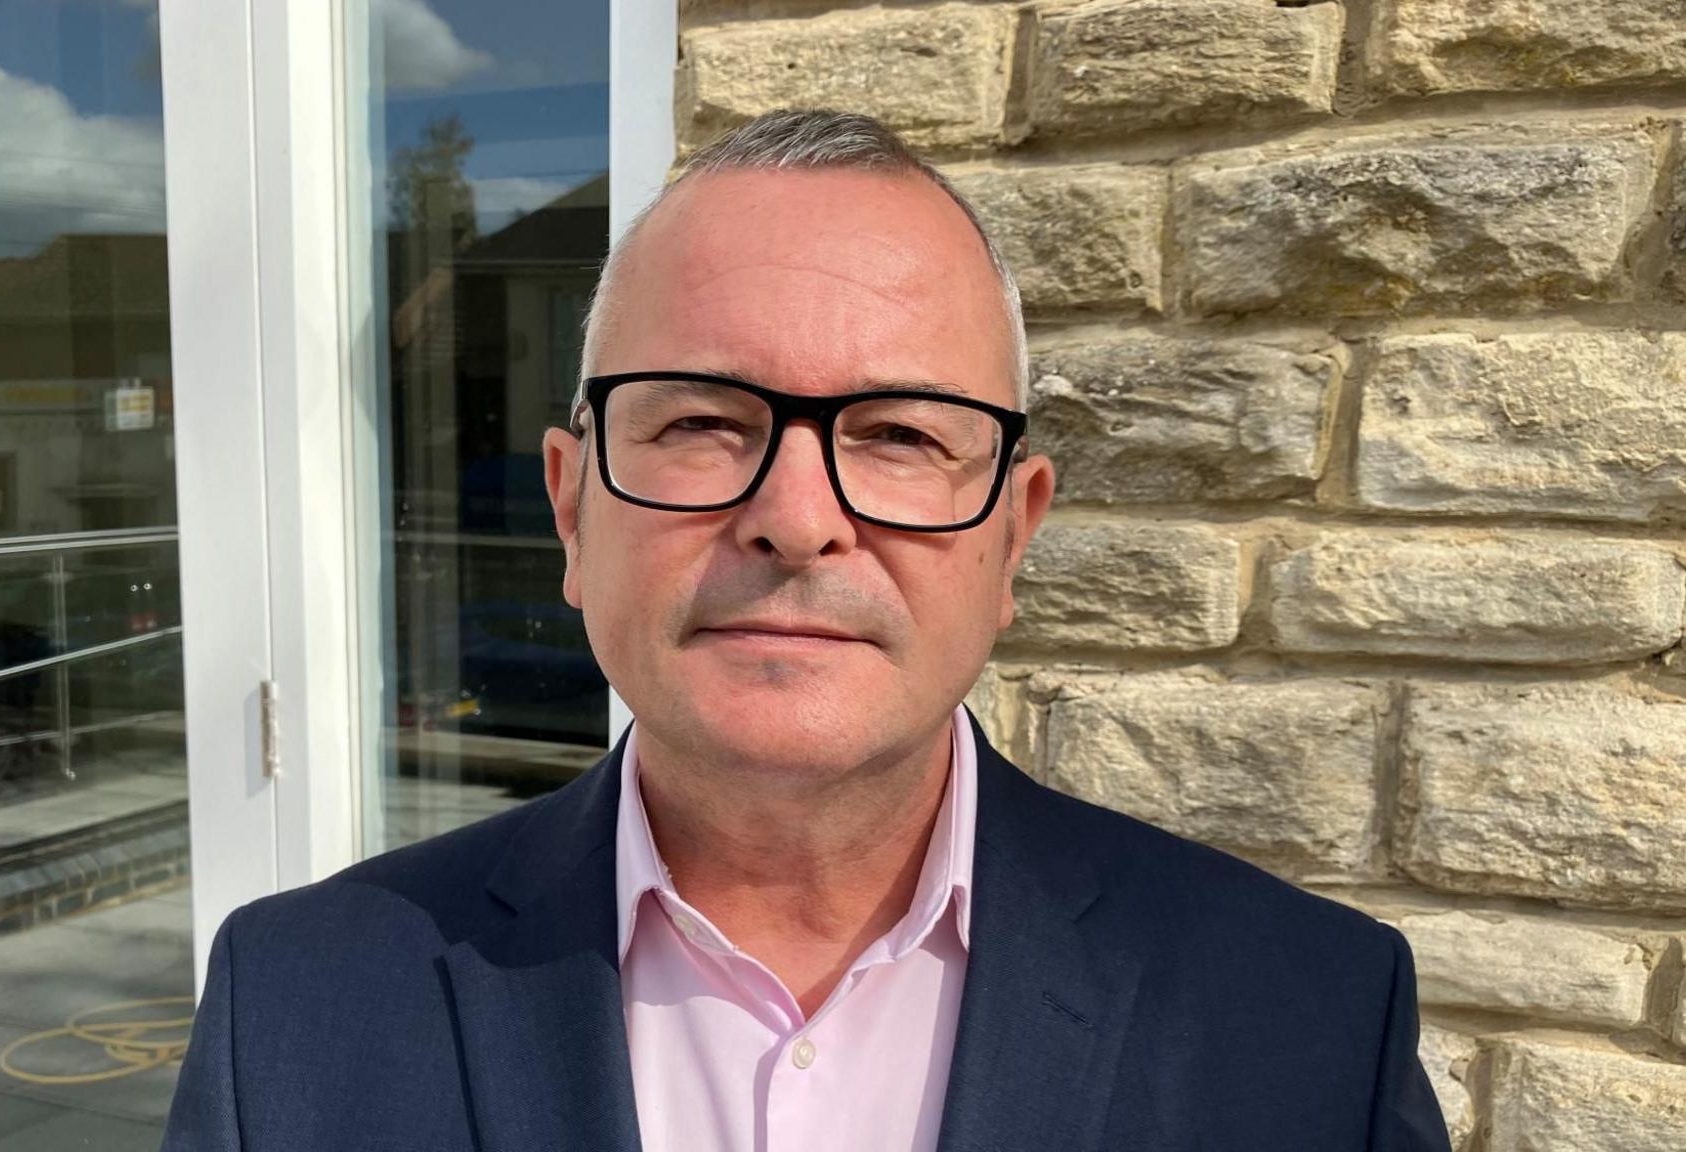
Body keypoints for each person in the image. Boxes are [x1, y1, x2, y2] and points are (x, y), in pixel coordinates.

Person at [160, 108, 1451, 1152]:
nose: (793, 517)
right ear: (570, 507)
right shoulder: (293, 1024)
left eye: (896, 435)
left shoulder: (1308, 1033)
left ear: (1014, 535)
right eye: (700, 422)